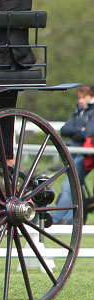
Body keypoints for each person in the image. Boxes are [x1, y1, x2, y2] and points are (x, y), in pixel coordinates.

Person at [51, 84, 94, 225]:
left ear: (91, 96)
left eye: (84, 97)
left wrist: (78, 131)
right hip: (76, 150)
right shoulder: (79, 110)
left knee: (69, 184)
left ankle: (60, 219)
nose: (81, 100)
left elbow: (88, 132)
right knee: (72, 185)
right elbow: (64, 130)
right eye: (80, 97)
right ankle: (66, 218)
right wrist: (79, 130)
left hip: (86, 153)